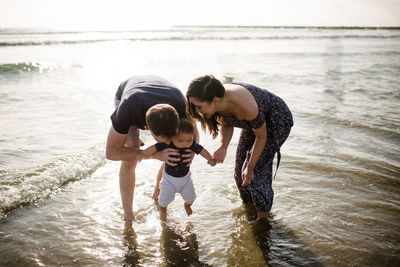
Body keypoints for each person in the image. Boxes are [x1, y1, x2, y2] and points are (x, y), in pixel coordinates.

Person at [186, 75, 293, 221]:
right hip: (255, 122)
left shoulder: (245, 105)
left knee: (254, 173)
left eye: (199, 107)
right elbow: (226, 122)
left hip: (276, 119)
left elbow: (261, 137)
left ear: (215, 101)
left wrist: (250, 167)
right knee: (239, 173)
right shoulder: (218, 99)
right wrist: (223, 147)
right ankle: (249, 208)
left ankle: (263, 220)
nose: (198, 111)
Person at [106, 75, 195, 222]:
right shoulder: (127, 110)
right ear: (147, 129)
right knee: (130, 152)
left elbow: (192, 130)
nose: (167, 143)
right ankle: (128, 216)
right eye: (162, 139)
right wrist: (151, 155)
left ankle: (157, 192)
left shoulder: (180, 105)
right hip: (129, 95)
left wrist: (191, 149)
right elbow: (111, 153)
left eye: (170, 137)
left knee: (177, 148)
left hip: (168, 94)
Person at [142, 118, 216, 222]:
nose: (185, 144)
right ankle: (163, 215)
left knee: (191, 198)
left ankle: (187, 206)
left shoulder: (192, 145)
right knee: (163, 202)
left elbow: (202, 150)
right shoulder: (167, 144)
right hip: (168, 180)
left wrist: (210, 159)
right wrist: (143, 154)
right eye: (181, 141)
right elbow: (152, 149)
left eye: (189, 140)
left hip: (185, 180)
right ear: (172, 138)